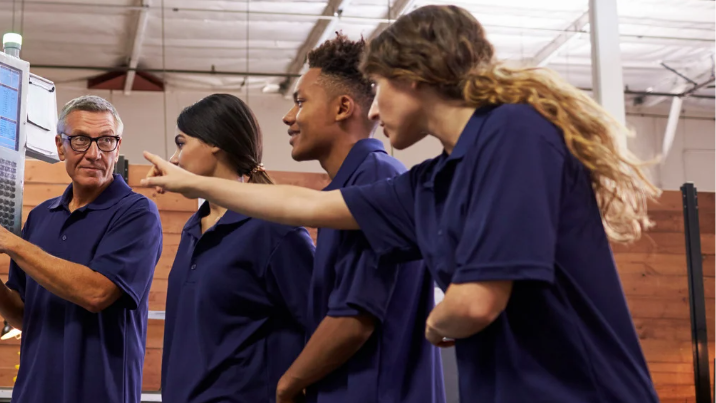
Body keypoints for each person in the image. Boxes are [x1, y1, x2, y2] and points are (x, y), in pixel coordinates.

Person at [142, 5, 660, 403]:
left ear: (412, 77)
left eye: (381, 86)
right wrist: (198, 185)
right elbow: (306, 207)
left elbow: (475, 302)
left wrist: (436, 324)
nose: (375, 104)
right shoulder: (432, 182)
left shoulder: (514, 131)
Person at [0, 95, 162, 403]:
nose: (94, 153)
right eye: (80, 141)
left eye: (106, 141)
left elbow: (96, 294)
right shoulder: (41, 217)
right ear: (60, 147)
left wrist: (9, 241)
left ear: (117, 146)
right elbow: (25, 316)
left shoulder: (137, 213)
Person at [275, 33, 443, 403]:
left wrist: (288, 384)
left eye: (301, 102)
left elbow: (354, 320)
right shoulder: (349, 186)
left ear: (342, 107)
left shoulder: (376, 177)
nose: (290, 117)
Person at [159, 93, 316, 403]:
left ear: (214, 142)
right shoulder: (194, 228)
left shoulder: (274, 230)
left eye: (181, 143)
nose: (175, 158)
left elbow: (318, 326)